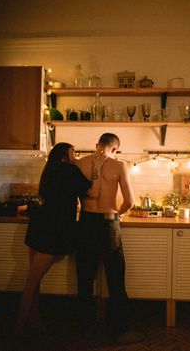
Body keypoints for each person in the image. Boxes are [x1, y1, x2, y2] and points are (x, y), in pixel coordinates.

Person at [13, 142, 106, 336]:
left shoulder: (49, 169)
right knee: (32, 281)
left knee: (34, 279)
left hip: (39, 224)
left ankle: (34, 321)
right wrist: (96, 167)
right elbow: (93, 192)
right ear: (65, 154)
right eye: (73, 152)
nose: (76, 155)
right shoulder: (70, 171)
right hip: (53, 229)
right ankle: (18, 329)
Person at [75, 133, 145, 344]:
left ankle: (86, 328)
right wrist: (118, 213)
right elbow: (130, 201)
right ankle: (121, 331)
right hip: (108, 223)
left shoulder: (80, 164)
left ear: (97, 145)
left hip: (86, 223)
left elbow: (75, 196)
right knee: (115, 278)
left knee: (85, 278)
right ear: (114, 149)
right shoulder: (119, 166)